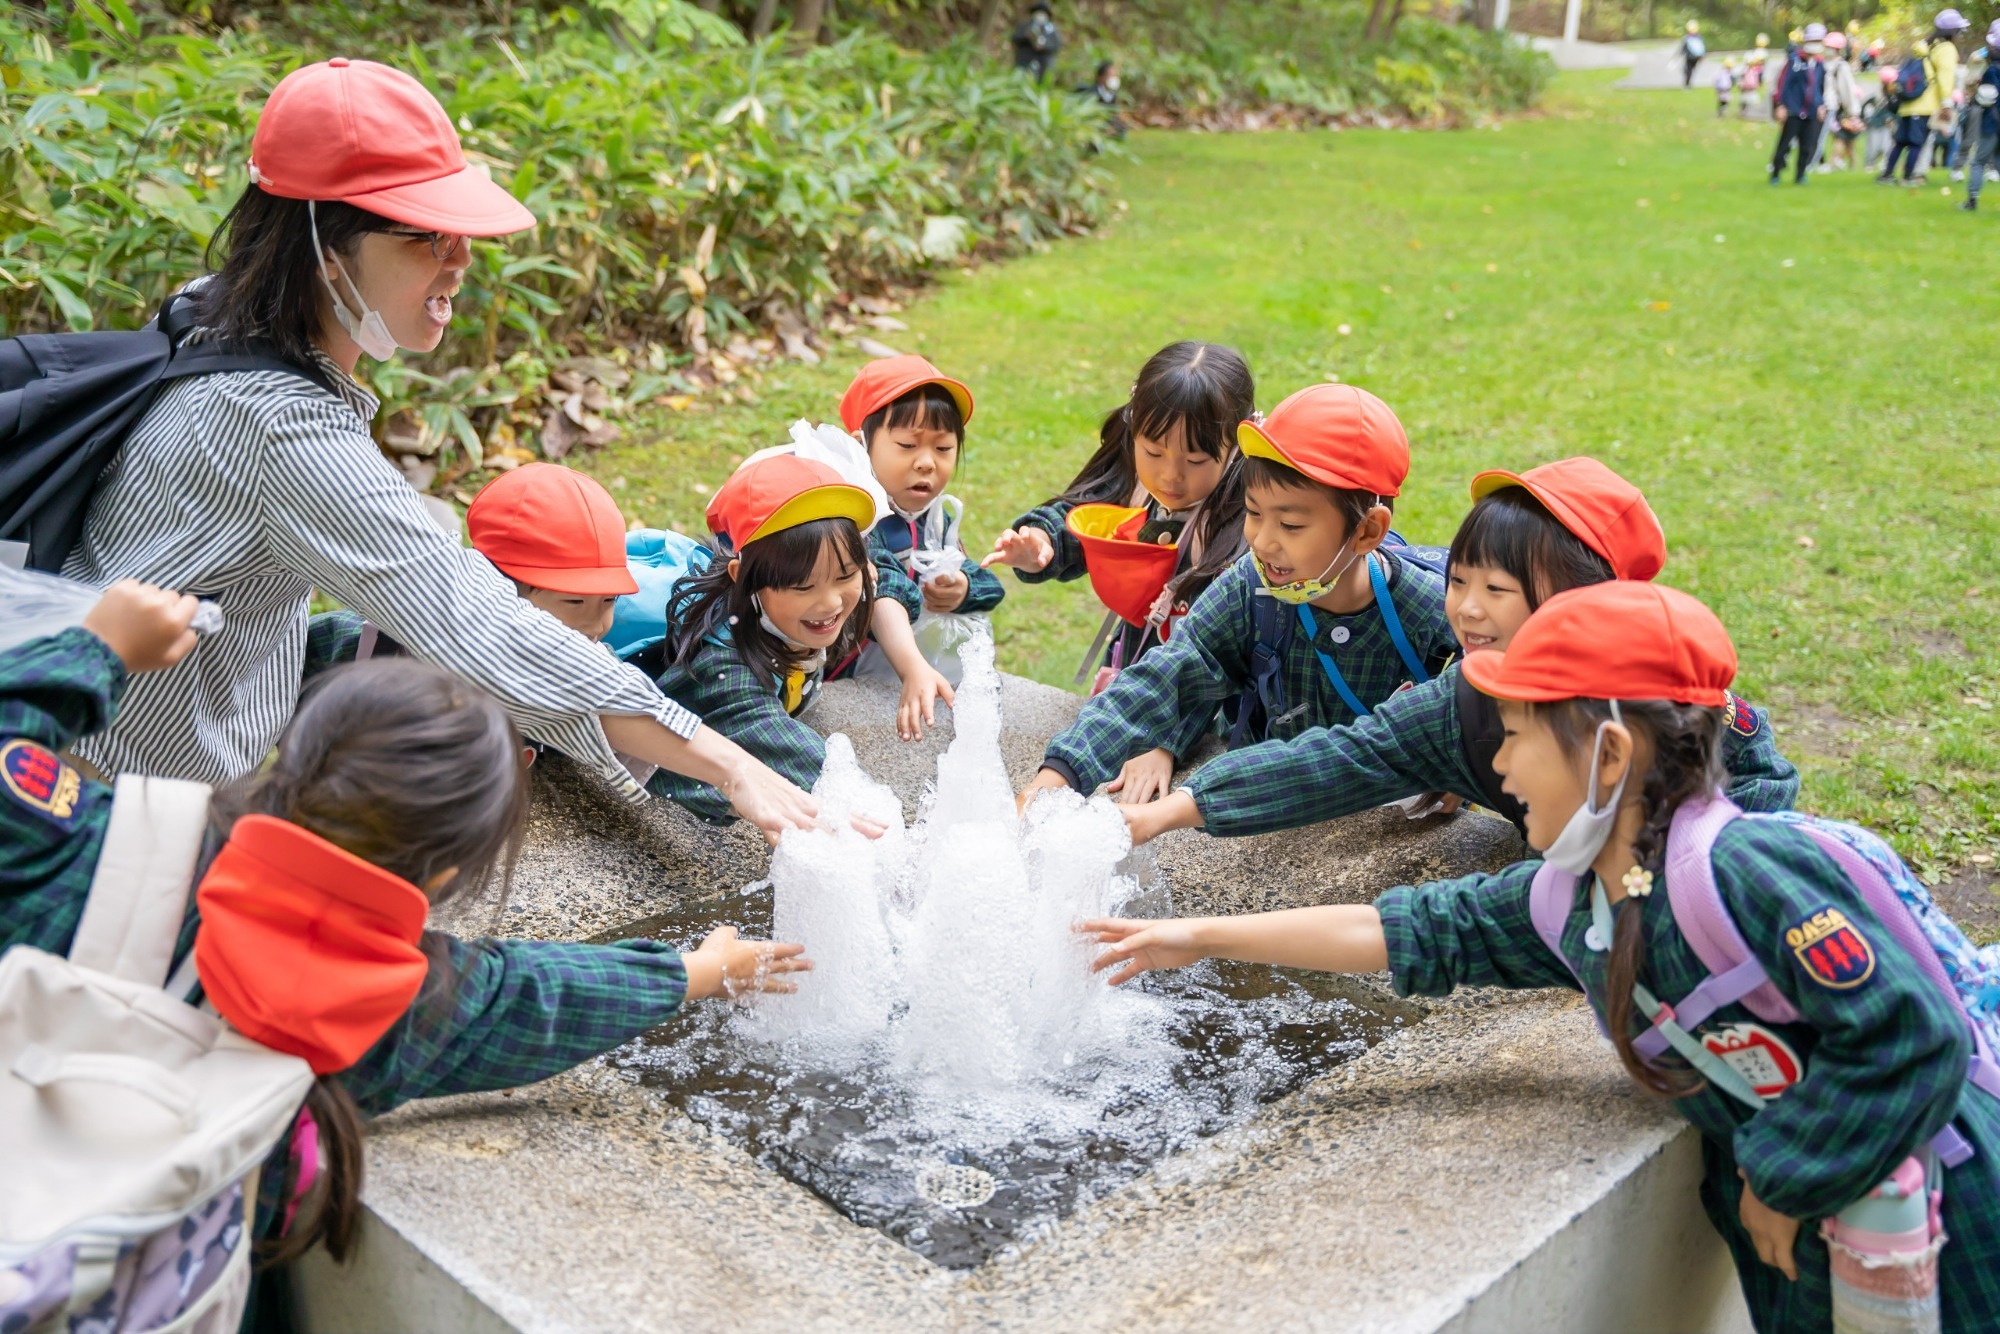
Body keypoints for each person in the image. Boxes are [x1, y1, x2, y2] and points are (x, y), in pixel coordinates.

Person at [1082, 581, 2000, 1334]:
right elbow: (1406, 930)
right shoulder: (1576, 898)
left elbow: (1913, 1037)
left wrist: (1782, 1180)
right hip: (1816, 1221)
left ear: (1607, 754)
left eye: (1517, 733)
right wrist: (1189, 937)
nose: (1502, 765)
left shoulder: (1751, 866)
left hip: (1944, 1207)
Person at [0, 582, 807, 1322]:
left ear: (294, 755)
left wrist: (100, 650)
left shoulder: (87, 843)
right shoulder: (397, 1003)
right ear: (451, 869)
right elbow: (535, 997)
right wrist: (695, 972)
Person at [56, 58, 817, 839]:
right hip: (92, 807)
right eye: (425, 236)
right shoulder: (277, 425)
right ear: (325, 252)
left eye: (459, 231)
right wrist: (731, 763)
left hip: (97, 751)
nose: (460, 257)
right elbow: (474, 622)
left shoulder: (213, 314)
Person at [1113, 457, 1799, 848]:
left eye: (1498, 589)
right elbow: (1342, 757)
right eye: (1459, 581)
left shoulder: (1674, 707)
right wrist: (1173, 810)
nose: (1467, 609)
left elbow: (1762, 790)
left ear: (1586, 601)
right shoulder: (1467, 697)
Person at [1015, 383, 1455, 811]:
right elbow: (1164, 678)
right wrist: (1059, 776)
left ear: (1367, 530)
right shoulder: (1251, 589)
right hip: (1264, 810)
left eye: (1291, 526)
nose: (1262, 542)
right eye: (1254, 513)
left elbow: (1490, 713)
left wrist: (1462, 773)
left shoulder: (1438, 613)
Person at [645, 454, 920, 823]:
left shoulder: (801, 609)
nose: (831, 602)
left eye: (846, 575)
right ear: (742, 577)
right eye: (802, 586)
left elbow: (887, 574)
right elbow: (803, 761)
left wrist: (913, 665)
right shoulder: (723, 666)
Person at [982, 341, 1254, 692]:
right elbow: (1084, 517)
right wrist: (1043, 541)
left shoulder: (1250, 519)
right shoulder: (1135, 486)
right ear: (1134, 430)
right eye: (1154, 452)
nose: (1171, 475)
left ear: (1236, 448)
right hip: (1131, 667)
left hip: (1205, 694)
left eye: (1196, 460)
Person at [304, 462, 635, 674]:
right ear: (497, 589)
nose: (595, 625)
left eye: (609, 601)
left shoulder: (596, 667)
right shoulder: (402, 649)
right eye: (575, 602)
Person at [838, 356, 1004, 684]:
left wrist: (964, 587)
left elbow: (987, 582)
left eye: (943, 447)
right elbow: (885, 584)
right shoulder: (853, 518)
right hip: (843, 675)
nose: (927, 462)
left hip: (898, 669)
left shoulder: (933, 518)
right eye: (907, 445)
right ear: (861, 445)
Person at [1882, 13, 1968, 185]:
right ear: (1953, 31)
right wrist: (1946, 103)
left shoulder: (1926, 47)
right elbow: (1945, 77)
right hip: (1924, 104)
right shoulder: (1946, 49)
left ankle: (1887, 176)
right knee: (1916, 143)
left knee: (1900, 142)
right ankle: (1908, 177)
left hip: (1907, 104)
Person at [1771, 25, 1828, 186]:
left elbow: (1819, 87)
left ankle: (1800, 175)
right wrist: (1780, 105)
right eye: (1813, 40)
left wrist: (1820, 105)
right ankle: (1775, 173)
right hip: (1793, 110)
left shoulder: (1819, 64)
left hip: (1811, 112)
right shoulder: (1794, 61)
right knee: (1784, 144)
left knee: (1807, 146)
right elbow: (1784, 84)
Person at [1962, 23, 2000, 210]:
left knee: (1978, 161)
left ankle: (1972, 200)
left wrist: (1976, 86)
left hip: (1992, 122)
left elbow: (1986, 97)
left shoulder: (1991, 71)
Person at [1819, 32, 1864, 170]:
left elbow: (1847, 90)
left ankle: (1834, 163)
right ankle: (1848, 165)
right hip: (1826, 105)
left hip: (1837, 107)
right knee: (1843, 139)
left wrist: (1852, 111)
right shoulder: (1824, 64)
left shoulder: (1841, 66)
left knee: (1840, 138)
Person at [1011, 2, 1062, 84]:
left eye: (1043, 13)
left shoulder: (1052, 30)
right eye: (1038, 12)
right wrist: (1026, 36)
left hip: (1044, 66)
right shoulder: (1024, 26)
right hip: (1025, 64)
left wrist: (1044, 45)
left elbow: (1057, 46)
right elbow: (1015, 39)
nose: (1040, 15)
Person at [1076, 59, 1127, 140]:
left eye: (1115, 75)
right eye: (1110, 75)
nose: (1114, 78)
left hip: (1106, 124)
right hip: (1093, 123)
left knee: (1122, 128)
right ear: (1100, 77)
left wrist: (1112, 126)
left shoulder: (1112, 95)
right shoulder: (1091, 93)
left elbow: (1113, 114)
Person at [1865, 67, 1903, 173]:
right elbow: (1868, 106)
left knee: (1887, 146)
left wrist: (1892, 119)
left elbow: (1896, 109)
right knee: (1874, 146)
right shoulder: (1877, 93)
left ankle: (1886, 163)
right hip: (1876, 123)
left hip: (1888, 124)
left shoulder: (1896, 93)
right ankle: (1870, 163)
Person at [1681, 20, 1707, 88]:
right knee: (1691, 70)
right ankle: (1688, 83)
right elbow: (1702, 48)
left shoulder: (1687, 37)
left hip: (1689, 57)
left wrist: (1681, 53)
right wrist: (1702, 57)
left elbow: (1684, 47)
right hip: (1697, 57)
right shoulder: (1699, 37)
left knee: (1687, 70)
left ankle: (1687, 84)